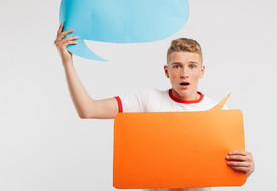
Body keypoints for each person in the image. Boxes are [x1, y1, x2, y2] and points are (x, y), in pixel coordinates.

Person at [54, 22, 255, 190]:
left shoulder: (220, 113)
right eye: (177, 66)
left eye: (191, 66)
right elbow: (88, 110)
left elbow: (230, 169)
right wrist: (67, 61)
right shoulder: (147, 100)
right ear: (167, 71)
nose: (184, 73)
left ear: (201, 71)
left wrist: (248, 168)